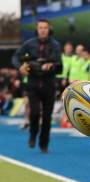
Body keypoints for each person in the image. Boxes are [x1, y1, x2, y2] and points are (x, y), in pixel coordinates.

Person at [12, 19, 62, 153]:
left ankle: (44, 143)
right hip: (33, 84)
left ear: (49, 29)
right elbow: (15, 57)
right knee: (34, 113)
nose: (43, 30)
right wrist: (20, 67)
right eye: (41, 28)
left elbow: (59, 66)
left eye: (45, 27)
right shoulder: (29, 44)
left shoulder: (56, 45)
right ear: (37, 29)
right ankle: (33, 134)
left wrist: (51, 65)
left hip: (49, 84)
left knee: (47, 117)